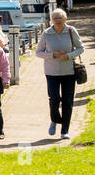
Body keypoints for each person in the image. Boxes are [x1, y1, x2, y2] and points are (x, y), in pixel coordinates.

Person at [35, 8, 86, 139]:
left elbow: (81, 48)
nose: (58, 20)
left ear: (65, 19)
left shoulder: (71, 31)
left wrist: (69, 56)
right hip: (51, 72)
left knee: (68, 101)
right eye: (55, 18)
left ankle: (65, 130)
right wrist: (52, 55)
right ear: (51, 20)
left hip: (69, 72)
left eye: (60, 18)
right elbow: (38, 52)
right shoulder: (46, 33)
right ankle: (55, 119)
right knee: (54, 99)